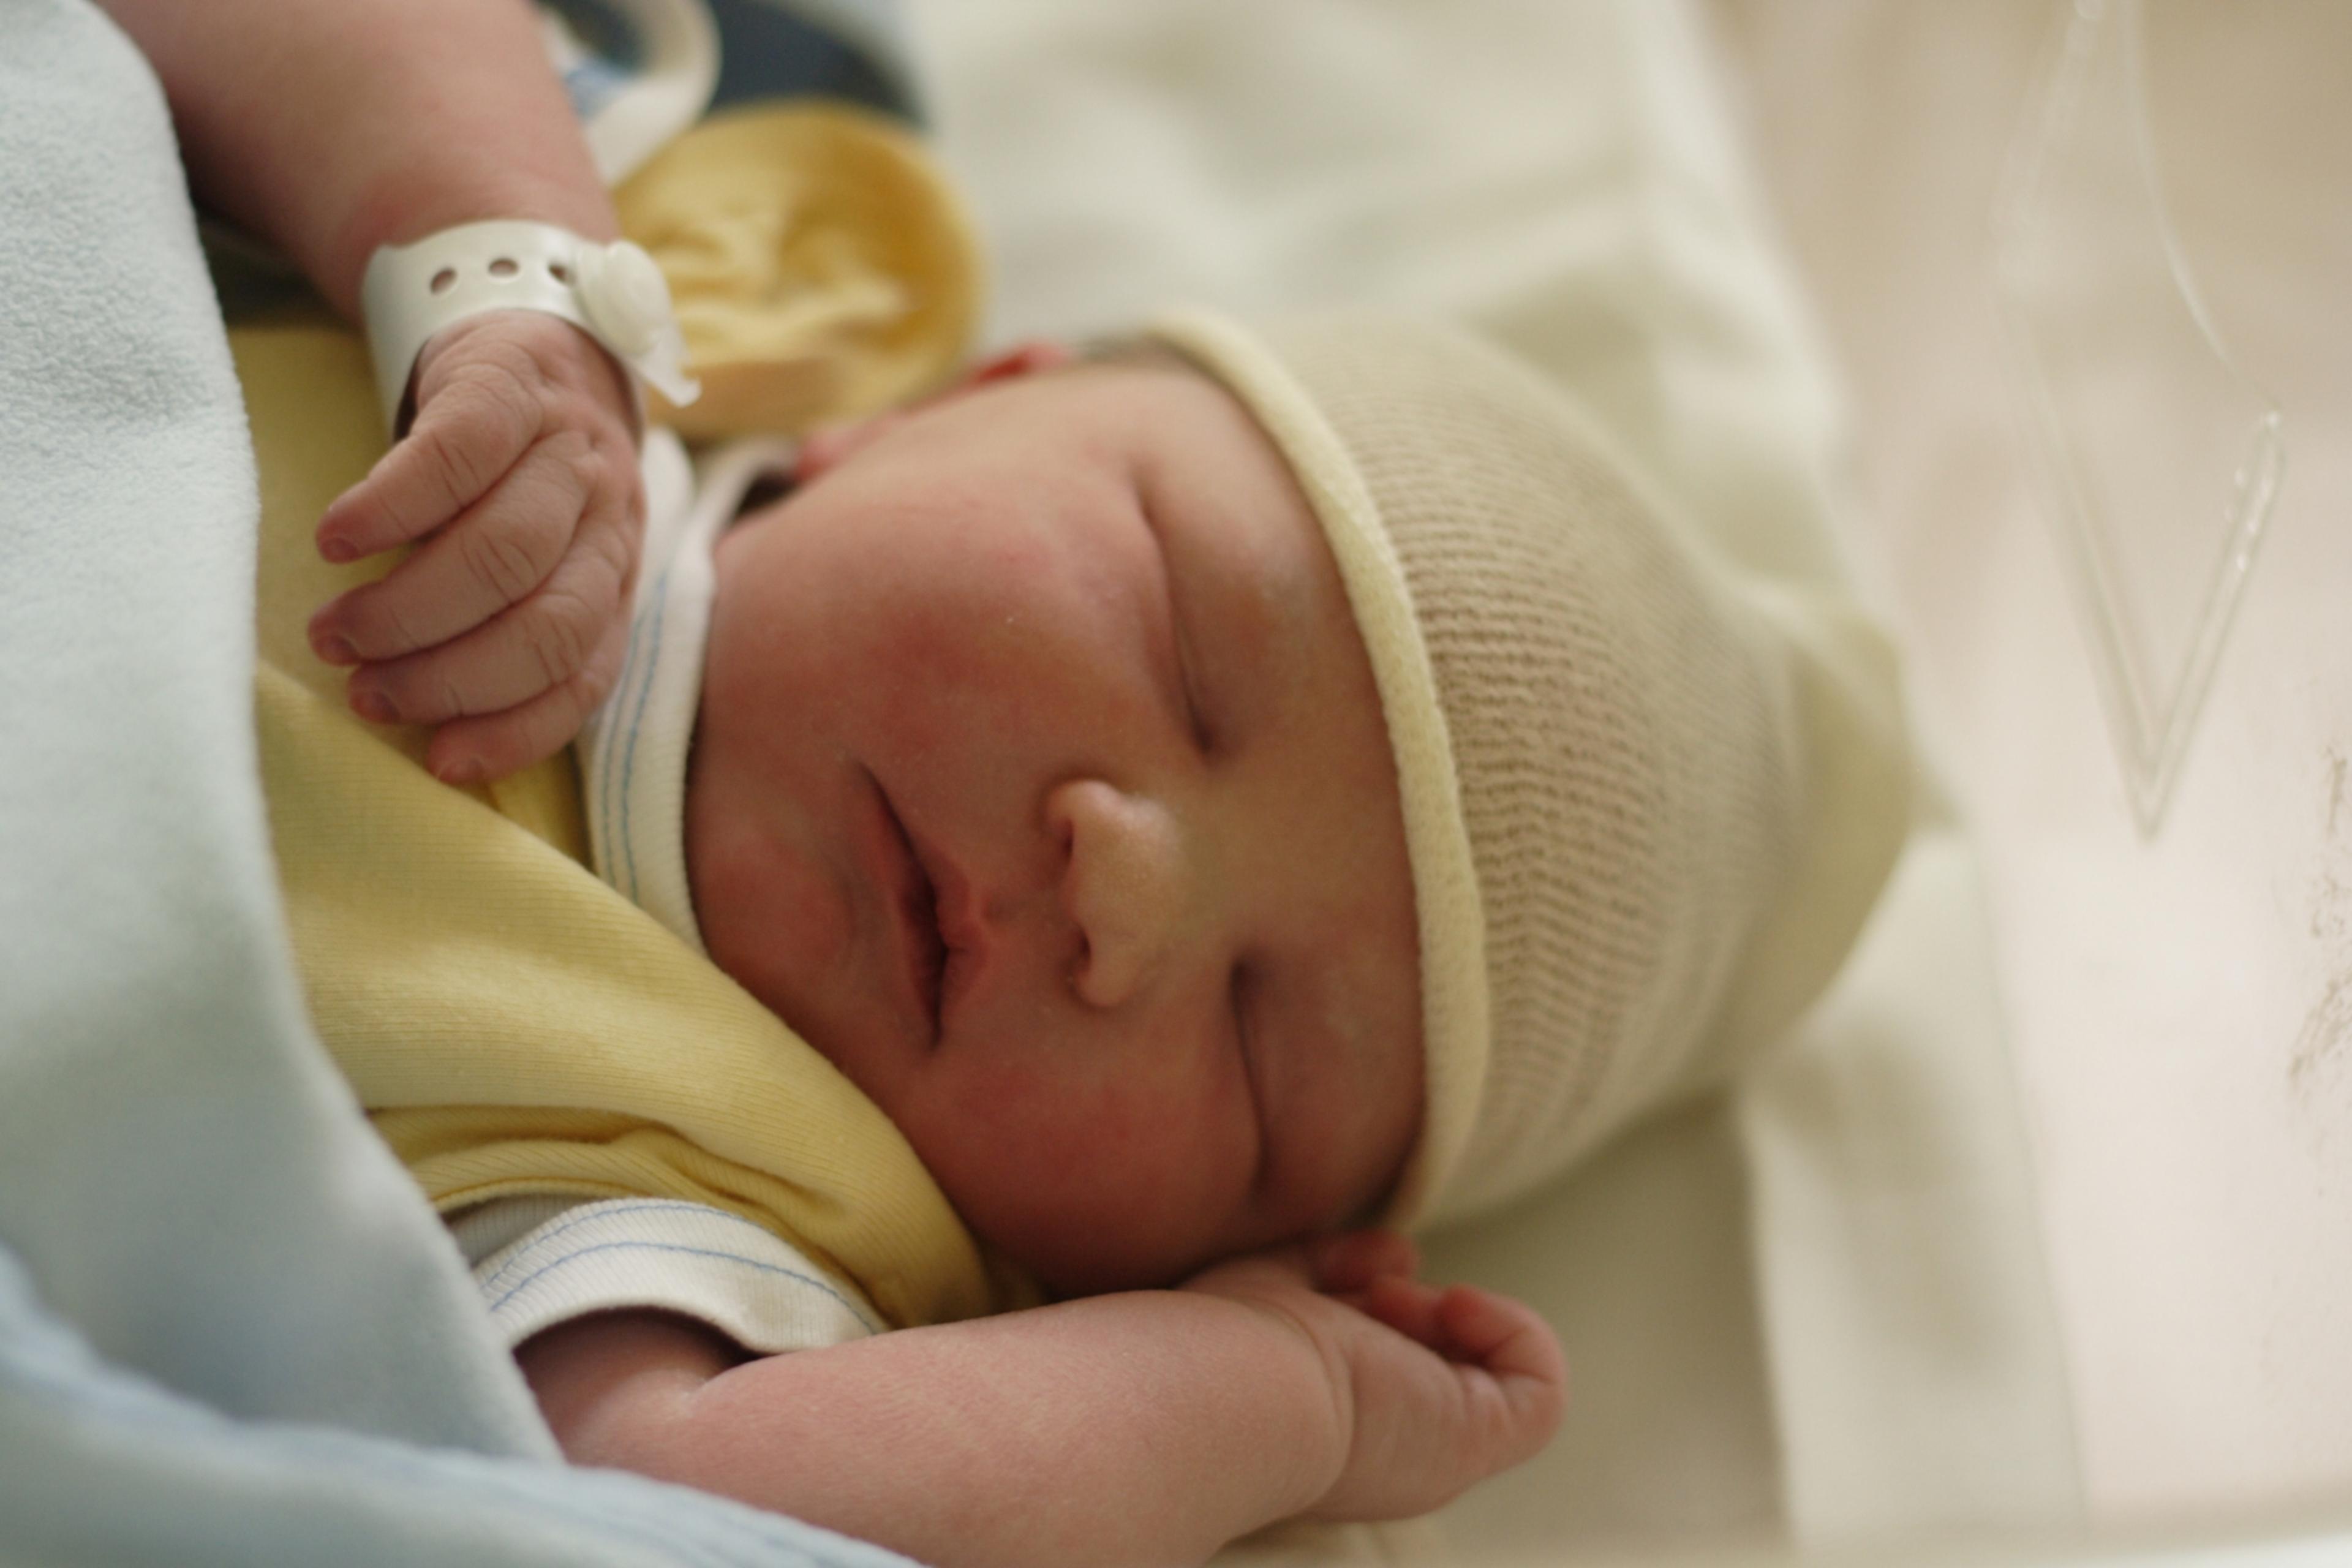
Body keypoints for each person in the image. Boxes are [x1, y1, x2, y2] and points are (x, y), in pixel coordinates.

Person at [99, 1, 1913, 1564]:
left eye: (1260, 1044)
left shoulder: (738, 1191)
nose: (1129, 895)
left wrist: (1271, 1399)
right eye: (1186, 658)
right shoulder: (651, 284)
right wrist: (488, 256)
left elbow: (640, 1508)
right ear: (966, 398)